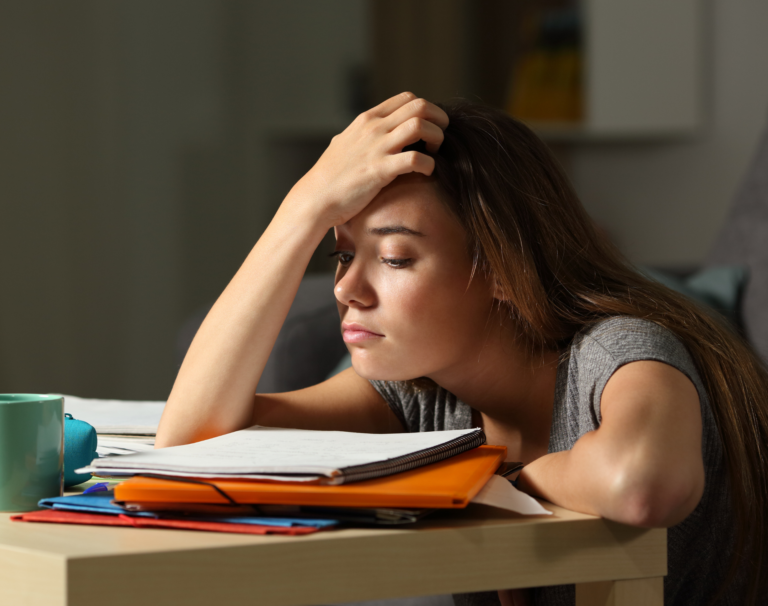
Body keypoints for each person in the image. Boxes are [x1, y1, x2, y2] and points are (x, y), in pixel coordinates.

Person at [156, 93, 768, 606]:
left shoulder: (620, 351)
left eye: (395, 258)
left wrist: (501, 480)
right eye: (342, 254)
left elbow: (642, 485)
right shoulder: (419, 394)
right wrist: (303, 206)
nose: (346, 288)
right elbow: (192, 440)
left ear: (503, 268)